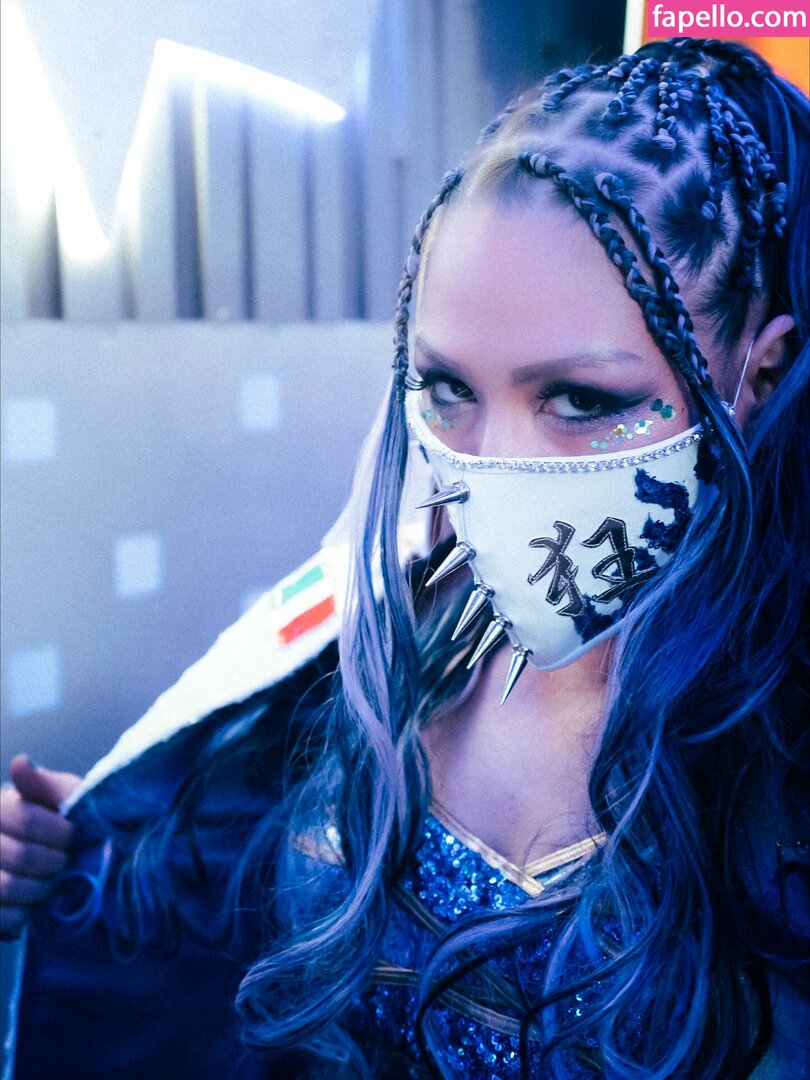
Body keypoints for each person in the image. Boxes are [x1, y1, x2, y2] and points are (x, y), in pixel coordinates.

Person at [2, 36, 808, 1079]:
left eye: (580, 399)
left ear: (760, 372)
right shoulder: (402, 622)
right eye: (449, 390)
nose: (493, 466)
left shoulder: (783, 751)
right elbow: (211, 908)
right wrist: (85, 846)